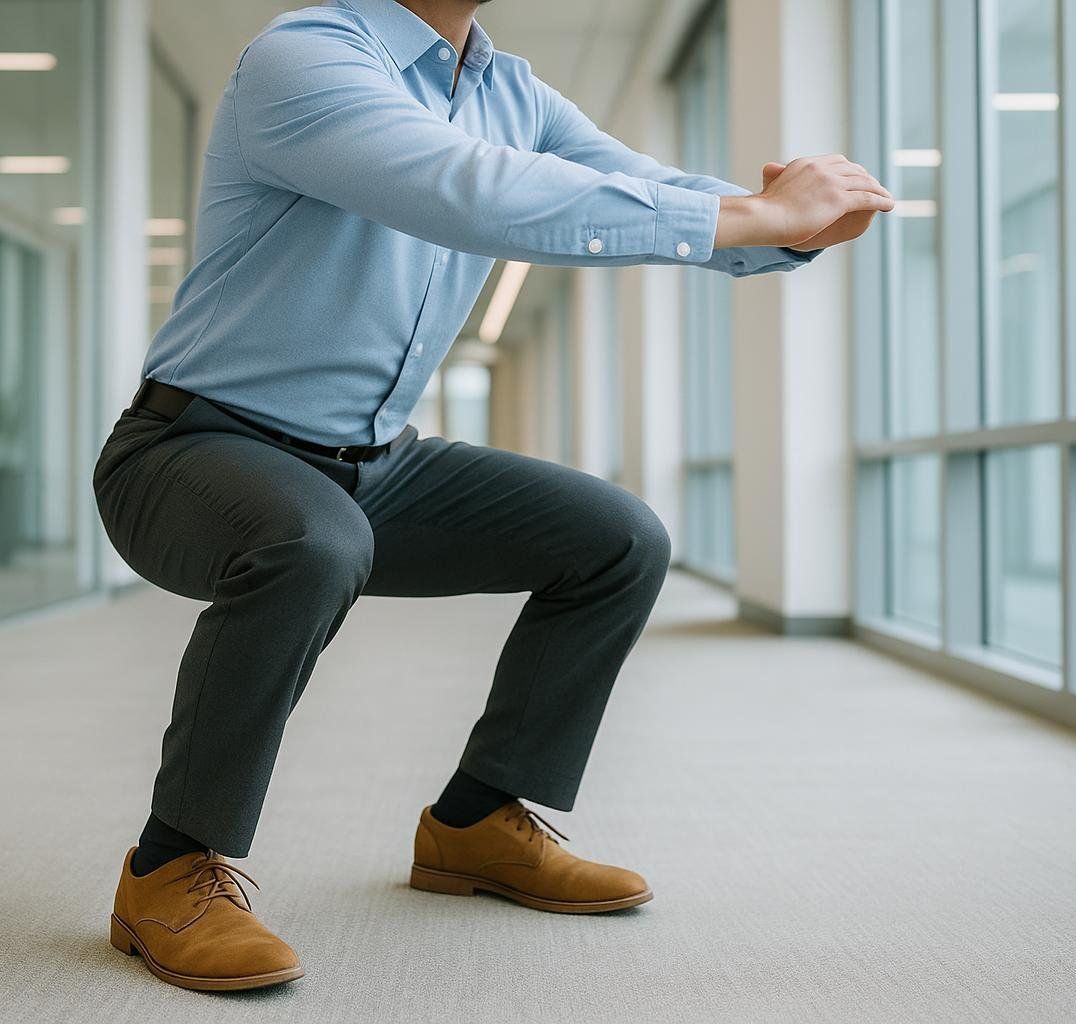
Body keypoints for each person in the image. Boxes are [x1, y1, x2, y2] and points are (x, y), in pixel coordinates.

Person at [95, 0, 892, 992]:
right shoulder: (304, 57)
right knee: (313, 541)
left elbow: (641, 188)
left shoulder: (514, 94)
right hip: (192, 448)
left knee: (617, 537)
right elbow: (470, 190)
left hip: (376, 460)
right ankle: (168, 866)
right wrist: (761, 218)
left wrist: (793, 230)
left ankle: (477, 822)